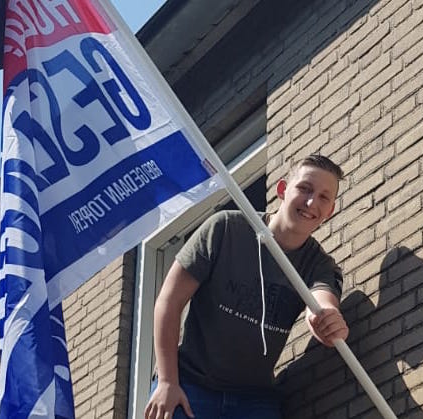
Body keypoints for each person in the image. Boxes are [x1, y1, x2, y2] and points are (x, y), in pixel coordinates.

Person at [144, 154, 349, 419]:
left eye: (324, 197)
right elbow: (169, 302)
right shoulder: (226, 228)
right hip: (190, 384)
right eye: (305, 188)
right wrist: (167, 382)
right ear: (282, 189)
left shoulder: (319, 264)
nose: (312, 202)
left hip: (254, 400)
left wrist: (327, 319)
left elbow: (321, 302)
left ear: (330, 211)